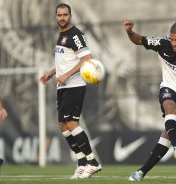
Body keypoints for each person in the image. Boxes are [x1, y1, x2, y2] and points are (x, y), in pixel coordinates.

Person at [123, 19, 176, 181]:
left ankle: (141, 172)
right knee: (169, 107)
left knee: (166, 136)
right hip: (169, 87)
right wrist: (129, 31)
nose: (173, 43)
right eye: (172, 39)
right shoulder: (162, 43)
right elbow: (138, 40)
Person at [39, 3, 101, 179]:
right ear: (56, 17)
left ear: (70, 16)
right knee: (62, 125)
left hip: (74, 85)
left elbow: (87, 59)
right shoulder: (62, 35)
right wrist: (51, 73)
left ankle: (93, 162)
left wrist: (66, 75)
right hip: (63, 86)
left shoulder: (75, 35)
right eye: (59, 15)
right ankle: (81, 163)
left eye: (65, 15)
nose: (62, 18)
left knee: (72, 123)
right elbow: (65, 61)